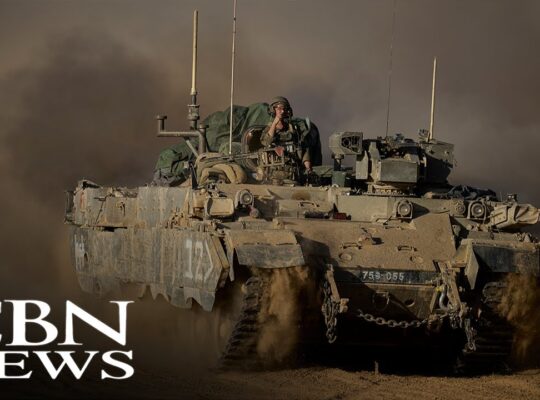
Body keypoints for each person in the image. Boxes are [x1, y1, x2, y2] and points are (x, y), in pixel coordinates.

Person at [260, 96, 312, 172]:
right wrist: (274, 124)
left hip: (294, 169)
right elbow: (266, 142)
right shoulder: (269, 129)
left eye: (284, 109)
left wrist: (308, 168)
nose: (282, 111)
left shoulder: (293, 128)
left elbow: (303, 148)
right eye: (279, 108)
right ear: (273, 110)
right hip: (275, 170)